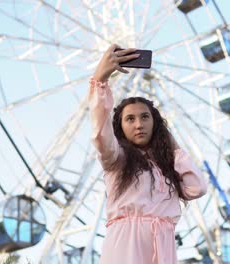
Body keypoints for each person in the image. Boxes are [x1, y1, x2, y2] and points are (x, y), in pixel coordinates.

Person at [88, 44, 208, 264]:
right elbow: (100, 135)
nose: (139, 124)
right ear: (120, 127)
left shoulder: (166, 166)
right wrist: (100, 80)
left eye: (145, 117)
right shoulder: (117, 158)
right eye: (130, 119)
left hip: (162, 243)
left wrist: (169, 140)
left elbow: (197, 187)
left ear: (156, 123)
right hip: (126, 245)